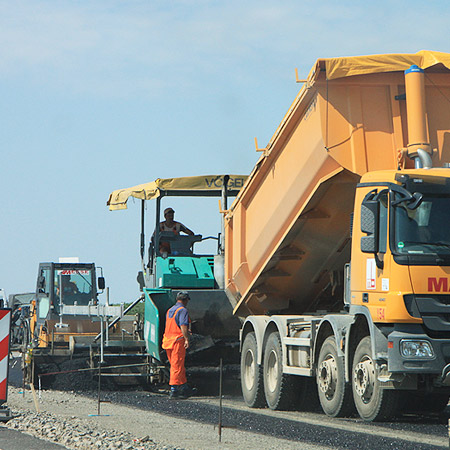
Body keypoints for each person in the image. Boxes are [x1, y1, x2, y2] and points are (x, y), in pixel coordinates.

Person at [162, 291, 197, 399]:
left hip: (168, 341)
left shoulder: (170, 310)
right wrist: (187, 339)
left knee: (176, 365)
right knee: (177, 366)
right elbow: (183, 326)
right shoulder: (182, 310)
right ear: (186, 300)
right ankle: (174, 390)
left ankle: (184, 387)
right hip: (178, 340)